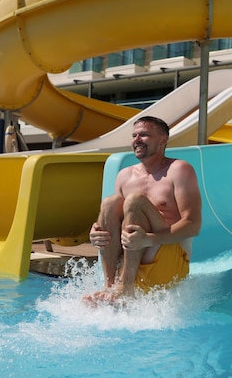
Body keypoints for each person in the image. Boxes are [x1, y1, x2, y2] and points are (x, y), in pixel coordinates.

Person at [84, 116, 202, 304]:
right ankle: (110, 286)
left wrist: (149, 239)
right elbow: (116, 221)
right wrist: (96, 233)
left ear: (163, 140)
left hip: (166, 259)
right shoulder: (124, 175)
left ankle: (125, 286)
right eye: (134, 135)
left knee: (135, 201)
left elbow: (193, 225)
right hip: (131, 260)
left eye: (144, 135)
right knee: (110, 203)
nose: (136, 140)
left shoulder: (179, 169)